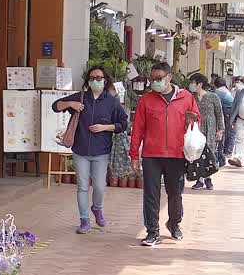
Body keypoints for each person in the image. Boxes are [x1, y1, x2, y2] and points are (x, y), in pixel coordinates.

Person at [129, 61, 201, 246]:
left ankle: (174, 223)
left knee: (175, 193)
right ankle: (152, 231)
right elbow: (137, 128)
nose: (155, 82)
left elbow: (197, 121)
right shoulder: (146, 100)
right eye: (152, 79)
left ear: (169, 77)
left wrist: (192, 120)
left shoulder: (186, 98)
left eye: (159, 78)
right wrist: (134, 155)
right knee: (151, 194)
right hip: (152, 154)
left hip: (177, 154)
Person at [52, 66, 129, 234]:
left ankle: (97, 208)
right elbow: (55, 106)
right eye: (92, 78)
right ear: (88, 81)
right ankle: (84, 220)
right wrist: (69, 103)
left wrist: (105, 127)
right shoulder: (80, 98)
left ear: (105, 80)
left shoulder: (111, 101)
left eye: (99, 78)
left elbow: (123, 124)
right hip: (80, 150)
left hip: (101, 151)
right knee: (82, 187)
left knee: (100, 186)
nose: (96, 81)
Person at [188, 73, 225, 190]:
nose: (191, 85)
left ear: (200, 84)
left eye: (193, 83)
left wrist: (220, 130)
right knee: (196, 153)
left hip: (210, 129)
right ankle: (199, 180)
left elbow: (219, 114)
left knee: (209, 153)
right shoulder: (191, 97)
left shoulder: (213, 97)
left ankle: (208, 178)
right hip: (196, 129)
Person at [213, 76, 235, 165]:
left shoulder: (217, 93)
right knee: (229, 134)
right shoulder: (226, 91)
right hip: (229, 114)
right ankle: (226, 152)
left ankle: (222, 156)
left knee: (223, 136)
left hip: (225, 115)